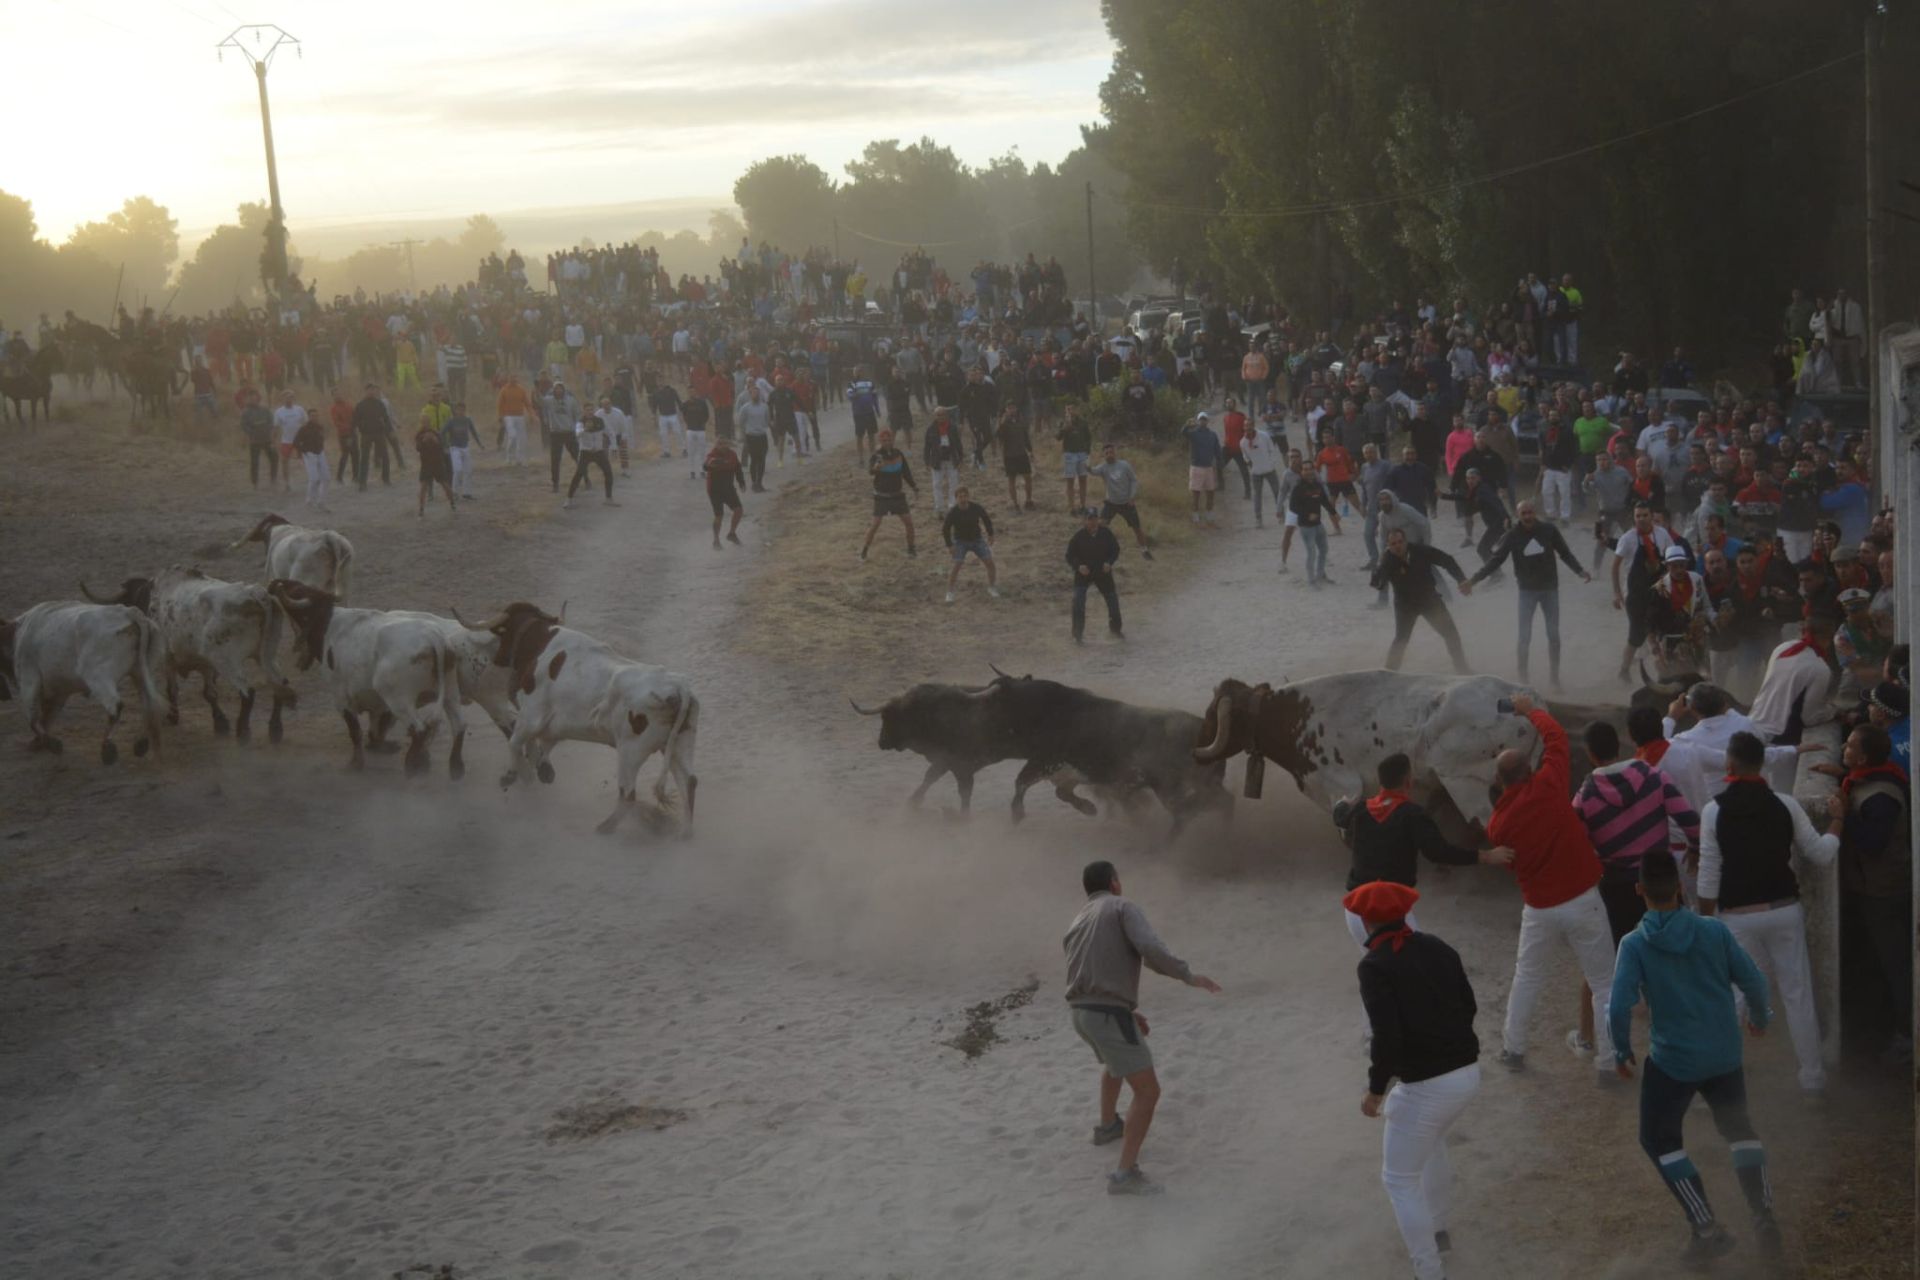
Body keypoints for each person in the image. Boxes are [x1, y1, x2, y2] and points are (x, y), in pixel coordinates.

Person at [1608, 850, 1782, 1265]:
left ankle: (1706, 1227)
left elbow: (1617, 1006)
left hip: (1674, 1062)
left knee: (1659, 1139)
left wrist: (1620, 1048)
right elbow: (1753, 981)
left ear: (1640, 891)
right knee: (1739, 1130)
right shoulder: (1714, 932)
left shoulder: (1635, 944)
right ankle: (1763, 1217)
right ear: (1680, 889)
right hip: (1723, 1053)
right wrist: (1760, 1017)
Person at [1347, 880, 1481, 1280]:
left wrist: (1375, 1090)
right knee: (1432, 1141)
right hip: (1467, 1074)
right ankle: (1438, 1229)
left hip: (1427, 1085)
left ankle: (1429, 1271)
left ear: (1367, 920)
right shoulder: (1438, 946)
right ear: (1404, 914)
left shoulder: (1373, 965)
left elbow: (1386, 1037)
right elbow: (1468, 1004)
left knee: (1398, 1180)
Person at [1062, 859, 1222, 1195]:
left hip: (1081, 1013)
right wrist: (1188, 976)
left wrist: (1126, 1011)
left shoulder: (1079, 919)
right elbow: (1149, 949)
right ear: (1115, 882)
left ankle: (1107, 1127)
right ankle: (1125, 1175)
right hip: (1105, 1013)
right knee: (1148, 1092)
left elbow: (1086, 968)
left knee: (1115, 1063)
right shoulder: (1121, 906)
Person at [1695, 732, 1837, 1095]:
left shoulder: (1714, 811)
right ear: (1761, 764)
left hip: (1736, 917)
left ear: (1729, 765)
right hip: (1783, 910)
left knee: (1734, 996)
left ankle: (1717, 1077)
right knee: (1796, 994)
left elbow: (1709, 877)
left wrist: (1704, 922)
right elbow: (1820, 854)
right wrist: (1838, 823)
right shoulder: (1786, 805)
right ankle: (1812, 1079)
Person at [1484, 696, 1616, 1080]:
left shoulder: (1498, 825)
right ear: (1530, 769)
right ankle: (1607, 1063)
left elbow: (1508, 861)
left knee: (1527, 976)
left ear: (1499, 780)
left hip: (1540, 907)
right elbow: (1557, 738)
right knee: (1603, 981)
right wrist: (1530, 710)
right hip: (1583, 898)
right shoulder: (1550, 782)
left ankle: (1513, 1049)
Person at [1571, 721, 1700, 1056]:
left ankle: (1591, 1042)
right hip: (1659, 882)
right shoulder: (1653, 776)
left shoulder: (1585, 796)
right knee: (1673, 964)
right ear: (1622, 744)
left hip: (1615, 888)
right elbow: (1689, 821)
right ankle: (1680, 1045)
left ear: (1590, 754)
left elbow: (1575, 843)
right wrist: (1697, 849)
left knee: (1604, 969)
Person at [1820, 722, 1912, 1065]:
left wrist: (1843, 816)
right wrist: (1843, 772)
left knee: (1894, 965)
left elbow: (1873, 844)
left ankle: (1905, 1036)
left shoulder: (1880, 797)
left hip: (1882, 892)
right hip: (1872, 888)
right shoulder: (1871, 779)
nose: (1843, 747)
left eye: (1849, 747)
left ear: (1863, 756)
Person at [1467, 499, 1591, 688]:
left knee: (1554, 636)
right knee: (1524, 638)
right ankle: (1523, 679)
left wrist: (1579, 570)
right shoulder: (1512, 535)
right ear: (1518, 515)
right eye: (1523, 513)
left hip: (1550, 590)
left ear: (1535, 513)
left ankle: (1554, 679)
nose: (1527, 516)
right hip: (1527, 591)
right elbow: (1495, 560)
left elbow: (1565, 553)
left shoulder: (1549, 530)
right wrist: (1473, 580)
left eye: (1530, 512)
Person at [1373, 528, 1472, 672]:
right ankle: (1389, 673)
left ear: (1406, 542)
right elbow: (1378, 584)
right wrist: (1379, 568)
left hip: (1429, 600)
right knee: (1401, 639)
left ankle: (1462, 669)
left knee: (1451, 634)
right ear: (1388, 545)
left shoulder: (1420, 551)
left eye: (1400, 542)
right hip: (1405, 606)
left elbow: (1447, 560)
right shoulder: (1387, 560)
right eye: (1393, 544)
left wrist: (1461, 579)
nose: (1398, 546)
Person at [1610, 502, 1678, 682]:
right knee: (1637, 634)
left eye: (1644, 515)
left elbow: (1672, 556)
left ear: (1651, 516)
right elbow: (1615, 566)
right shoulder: (1628, 538)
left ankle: (1664, 670)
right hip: (1635, 593)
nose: (1641, 519)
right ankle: (1624, 670)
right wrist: (1616, 593)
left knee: (1661, 630)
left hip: (1658, 590)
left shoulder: (1662, 534)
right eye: (1638, 516)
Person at [1066, 507, 1123, 642]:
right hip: (1083, 574)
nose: (1093, 522)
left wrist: (1109, 562)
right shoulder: (1078, 536)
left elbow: (1115, 550)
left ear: (1098, 519)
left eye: (1095, 519)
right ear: (1085, 521)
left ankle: (1116, 630)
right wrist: (1078, 566)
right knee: (1078, 602)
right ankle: (1077, 635)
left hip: (1102, 572)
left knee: (1112, 601)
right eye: (1089, 519)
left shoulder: (1106, 533)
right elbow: (1069, 555)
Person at [861, 428, 918, 561]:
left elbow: (906, 472)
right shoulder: (876, 455)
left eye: (889, 440)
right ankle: (864, 550)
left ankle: (911, 549)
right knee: (875, 524)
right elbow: (870, 471)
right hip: (882, 496)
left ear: (892, 440)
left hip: (897, 495)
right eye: (884, 440)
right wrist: (876, 467)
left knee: (909, 522)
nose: (887, 442)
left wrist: (914, 487)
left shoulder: (898, 454)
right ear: (880, 441)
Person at [1094, 442, 1153, 561]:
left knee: (1137, 528)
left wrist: (1131, 497)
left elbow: (1134, 481)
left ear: (1115, 453)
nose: (1109, 455)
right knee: (1101, 525)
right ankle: (1098, 550)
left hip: (1126, 503)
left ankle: (1145, 550)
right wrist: (1085, 466)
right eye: (1107, 453)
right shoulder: (1103, 467)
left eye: (1111, 452)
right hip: (1111, 503)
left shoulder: (1124, 465)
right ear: (1103, 455)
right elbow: (1092, 471)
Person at [941, 486, 1000, 604]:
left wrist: (991, 534)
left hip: (977, 539)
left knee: (990, 562)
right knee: (957, 565)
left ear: (968, 496)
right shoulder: (953, 512)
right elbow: (945, 529)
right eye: (960, 497)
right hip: (960, 541)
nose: (963, 499)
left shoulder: (976, 508)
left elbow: (986, 519)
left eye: (965, 496)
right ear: (956, 499)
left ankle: (992, 587)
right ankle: (950, 592)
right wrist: (950, 545)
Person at [1289, 458, 1342, 586]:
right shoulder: (1298, 488)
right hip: (1306, 526)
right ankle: (1311, 580)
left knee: (1324, 550)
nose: (1308, 472)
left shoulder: (1317, 485)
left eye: (1310, 469)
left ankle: (1320, 575)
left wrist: (1334, 513)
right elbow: (1292, 507)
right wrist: (1307, 514)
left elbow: (1324, 501)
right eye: (1305, 469)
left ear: (1314, 470)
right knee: (1311, 553)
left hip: (1318, 524)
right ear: (1301, 472)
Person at [564, 413, 619, 509]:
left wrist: (613, 446)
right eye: (587, 410)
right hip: (586, 452)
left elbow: (610, 432)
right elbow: (577, 434)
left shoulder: (600, 421)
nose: (589, 412)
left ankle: (609, 498)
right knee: (579, 474)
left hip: (598, 451)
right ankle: (569, 499)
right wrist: (585, 429)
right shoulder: (580, 423)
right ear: (584, 411)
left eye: (591, 410)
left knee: (608, 472)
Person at [703, 435, 745, 549]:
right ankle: (716, 540)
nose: (722, 446)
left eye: (724, 443)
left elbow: (738, 469)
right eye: (719, 444)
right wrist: (713, 462)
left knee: (739, 510)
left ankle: (731, 533)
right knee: (719, 515)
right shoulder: (712, 455)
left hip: (728, 488)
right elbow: (706, 466)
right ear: (716, 445)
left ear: (728, 445)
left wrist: (741, 482)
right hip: (714, 490)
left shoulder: (732, 455)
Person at [924, 406, 967, 514]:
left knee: (954, 483)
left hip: (951, 458)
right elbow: (927, 446)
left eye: (942, 415)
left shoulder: (953, 427)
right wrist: (926, 461)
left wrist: (961, 458)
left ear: (946, 415)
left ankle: (952, 506)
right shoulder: (930, 429)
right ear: (935, 416)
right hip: (936, 460)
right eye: (938, 415)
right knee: (937, 484)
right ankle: (939, 507)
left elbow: (958, 444)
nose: (940, 417)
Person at [541, 380, 582, 494]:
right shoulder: (549, 400)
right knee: (555, 460)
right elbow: (539, 401)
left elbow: (578, 414)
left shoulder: (571, 401)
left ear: (564, 389)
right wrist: (536, 388)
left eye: (560, 388)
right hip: (556, 434)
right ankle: (555, 484)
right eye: (556, 388)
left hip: (569, 432)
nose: (558, 390)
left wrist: (577, 428)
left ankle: (586, 479)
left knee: (578, 457)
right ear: (553, 390)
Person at [413, 414, 457, 517]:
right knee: (423, 487)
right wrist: (424, 440)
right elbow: (418, 448)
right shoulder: (419, 434)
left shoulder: (436, 433)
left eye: (426, 422)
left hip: (437, 463)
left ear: (429, 422)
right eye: (423, 422)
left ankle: (452, 503)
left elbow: (441, 446)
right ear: (421, 423)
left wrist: (434, 440)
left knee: (445, 485)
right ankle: (421, 509)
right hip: (426, 464)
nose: (425, 424)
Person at [1184, 411, 1221, 525]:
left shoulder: (1212, 435)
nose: (1202, 421)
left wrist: (1220, 464)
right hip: (1197, 467)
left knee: (1210, 492)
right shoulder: (1194, 433)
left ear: (1207, 421)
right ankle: (1196, 516)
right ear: (1198, 421)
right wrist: (1187, 425)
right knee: (1196, 494)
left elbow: (1217, 451)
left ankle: (1209, 516)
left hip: (1209, 467)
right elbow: (1183, 433)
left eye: (1204, 419)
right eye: (1201, 419)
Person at [440, 401, 481, 501]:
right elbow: (442, 432)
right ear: (455, 410)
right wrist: (444, 444)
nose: (461, 411)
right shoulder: (451, 421)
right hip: (455, 448)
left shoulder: (467, 420)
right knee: (457, 470)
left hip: (465, 447)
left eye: (463, 409)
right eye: (459, 409)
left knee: (468, 470)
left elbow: (473, 432)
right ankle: (454, 492)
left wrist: (480, 444)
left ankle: (467, 492)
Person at [293, 407, 329, 511]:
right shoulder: (303, 428)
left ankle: (321, 502)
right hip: (309, 454)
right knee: (314, 479)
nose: (315, 418)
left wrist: (322, 450)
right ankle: (309, 501)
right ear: (308, 417)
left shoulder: (320, 427)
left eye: (316, 416)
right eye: (313, 416)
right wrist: (304, 452)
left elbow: (322, 439)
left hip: (320, 453)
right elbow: (296, 442)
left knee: (326, 478)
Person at [271, 390, 307, 495]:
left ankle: (314, 479)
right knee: (284, 461)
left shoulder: (299, 409)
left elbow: (306, 423)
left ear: (294, 398)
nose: (289, 399)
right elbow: (276, 428)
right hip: (287, 441)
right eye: (286, 397)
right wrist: (273, 441)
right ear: (282, 399)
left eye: (291, 397)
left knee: (308, 459)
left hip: (300, 440)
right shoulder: (279, 412)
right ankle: (287, 483)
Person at [239, 389, 276, 489]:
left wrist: (270, 434)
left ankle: (273, 479)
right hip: (254, 441)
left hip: (267, 439)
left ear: (258, 398)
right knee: (254, 462)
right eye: (250, 398)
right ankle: (255, 483)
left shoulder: (265, 409)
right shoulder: (245, 412)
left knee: (274, 458)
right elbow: (243, 425)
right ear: (248, 400)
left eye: (254, 397)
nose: (253, 399)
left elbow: (271, 422)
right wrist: (251, 432)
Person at [1061, 404, 1094, 513]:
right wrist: (1065, 428)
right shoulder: (1064, 422)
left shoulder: (1083, 422)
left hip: (1081, 453)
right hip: (1069, 454)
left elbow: (1089, 438)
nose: (1071, 411)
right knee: (1070, 480)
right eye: (1069, 409)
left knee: (1083, 479)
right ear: (1066, 411)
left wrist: (1087, 452)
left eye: (1073, 408)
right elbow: (1057, 437)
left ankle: (1083, 505)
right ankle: (1071, 507)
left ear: (1078, 410)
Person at [497, 373, 531, 468]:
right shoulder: (504, 390)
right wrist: (500, 416)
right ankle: (509, 458)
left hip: (520, 416)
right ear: (509, 379)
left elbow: (527, 404)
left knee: (522, 438)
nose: (513, 379)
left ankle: (520, 459)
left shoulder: (521, 390)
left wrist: (532, 415)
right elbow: (499, 404)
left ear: (517, 378)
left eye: (515, 377)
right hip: (508, 417)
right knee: (513, 436)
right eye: (511, 377)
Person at [681, 389, 712, 481]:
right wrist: (688, 423)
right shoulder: (686, 403)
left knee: (702, 451)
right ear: (688, 393)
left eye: (693, 391)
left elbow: (707, 414)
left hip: (700, 430)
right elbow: (683, 414)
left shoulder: (702, 403)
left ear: (696, 392)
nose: (692, 393)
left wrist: (702, 423)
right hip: (690, 429)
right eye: (690, 392)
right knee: (691, 451)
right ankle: (692, 471)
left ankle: (703, 471)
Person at [652, 379, 685, 461]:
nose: (660, 382)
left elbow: (678, 401)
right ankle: (666, 451)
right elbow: (654, 405)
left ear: (664, 381)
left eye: (661, 380)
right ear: (656, 382)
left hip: (673, 415)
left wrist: (682, 411)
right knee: (663, 434)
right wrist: (654, 415)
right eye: (658, 381)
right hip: (662, 416)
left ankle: (683, 449)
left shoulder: (672, 390)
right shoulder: (656, 392)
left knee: (677, 431)